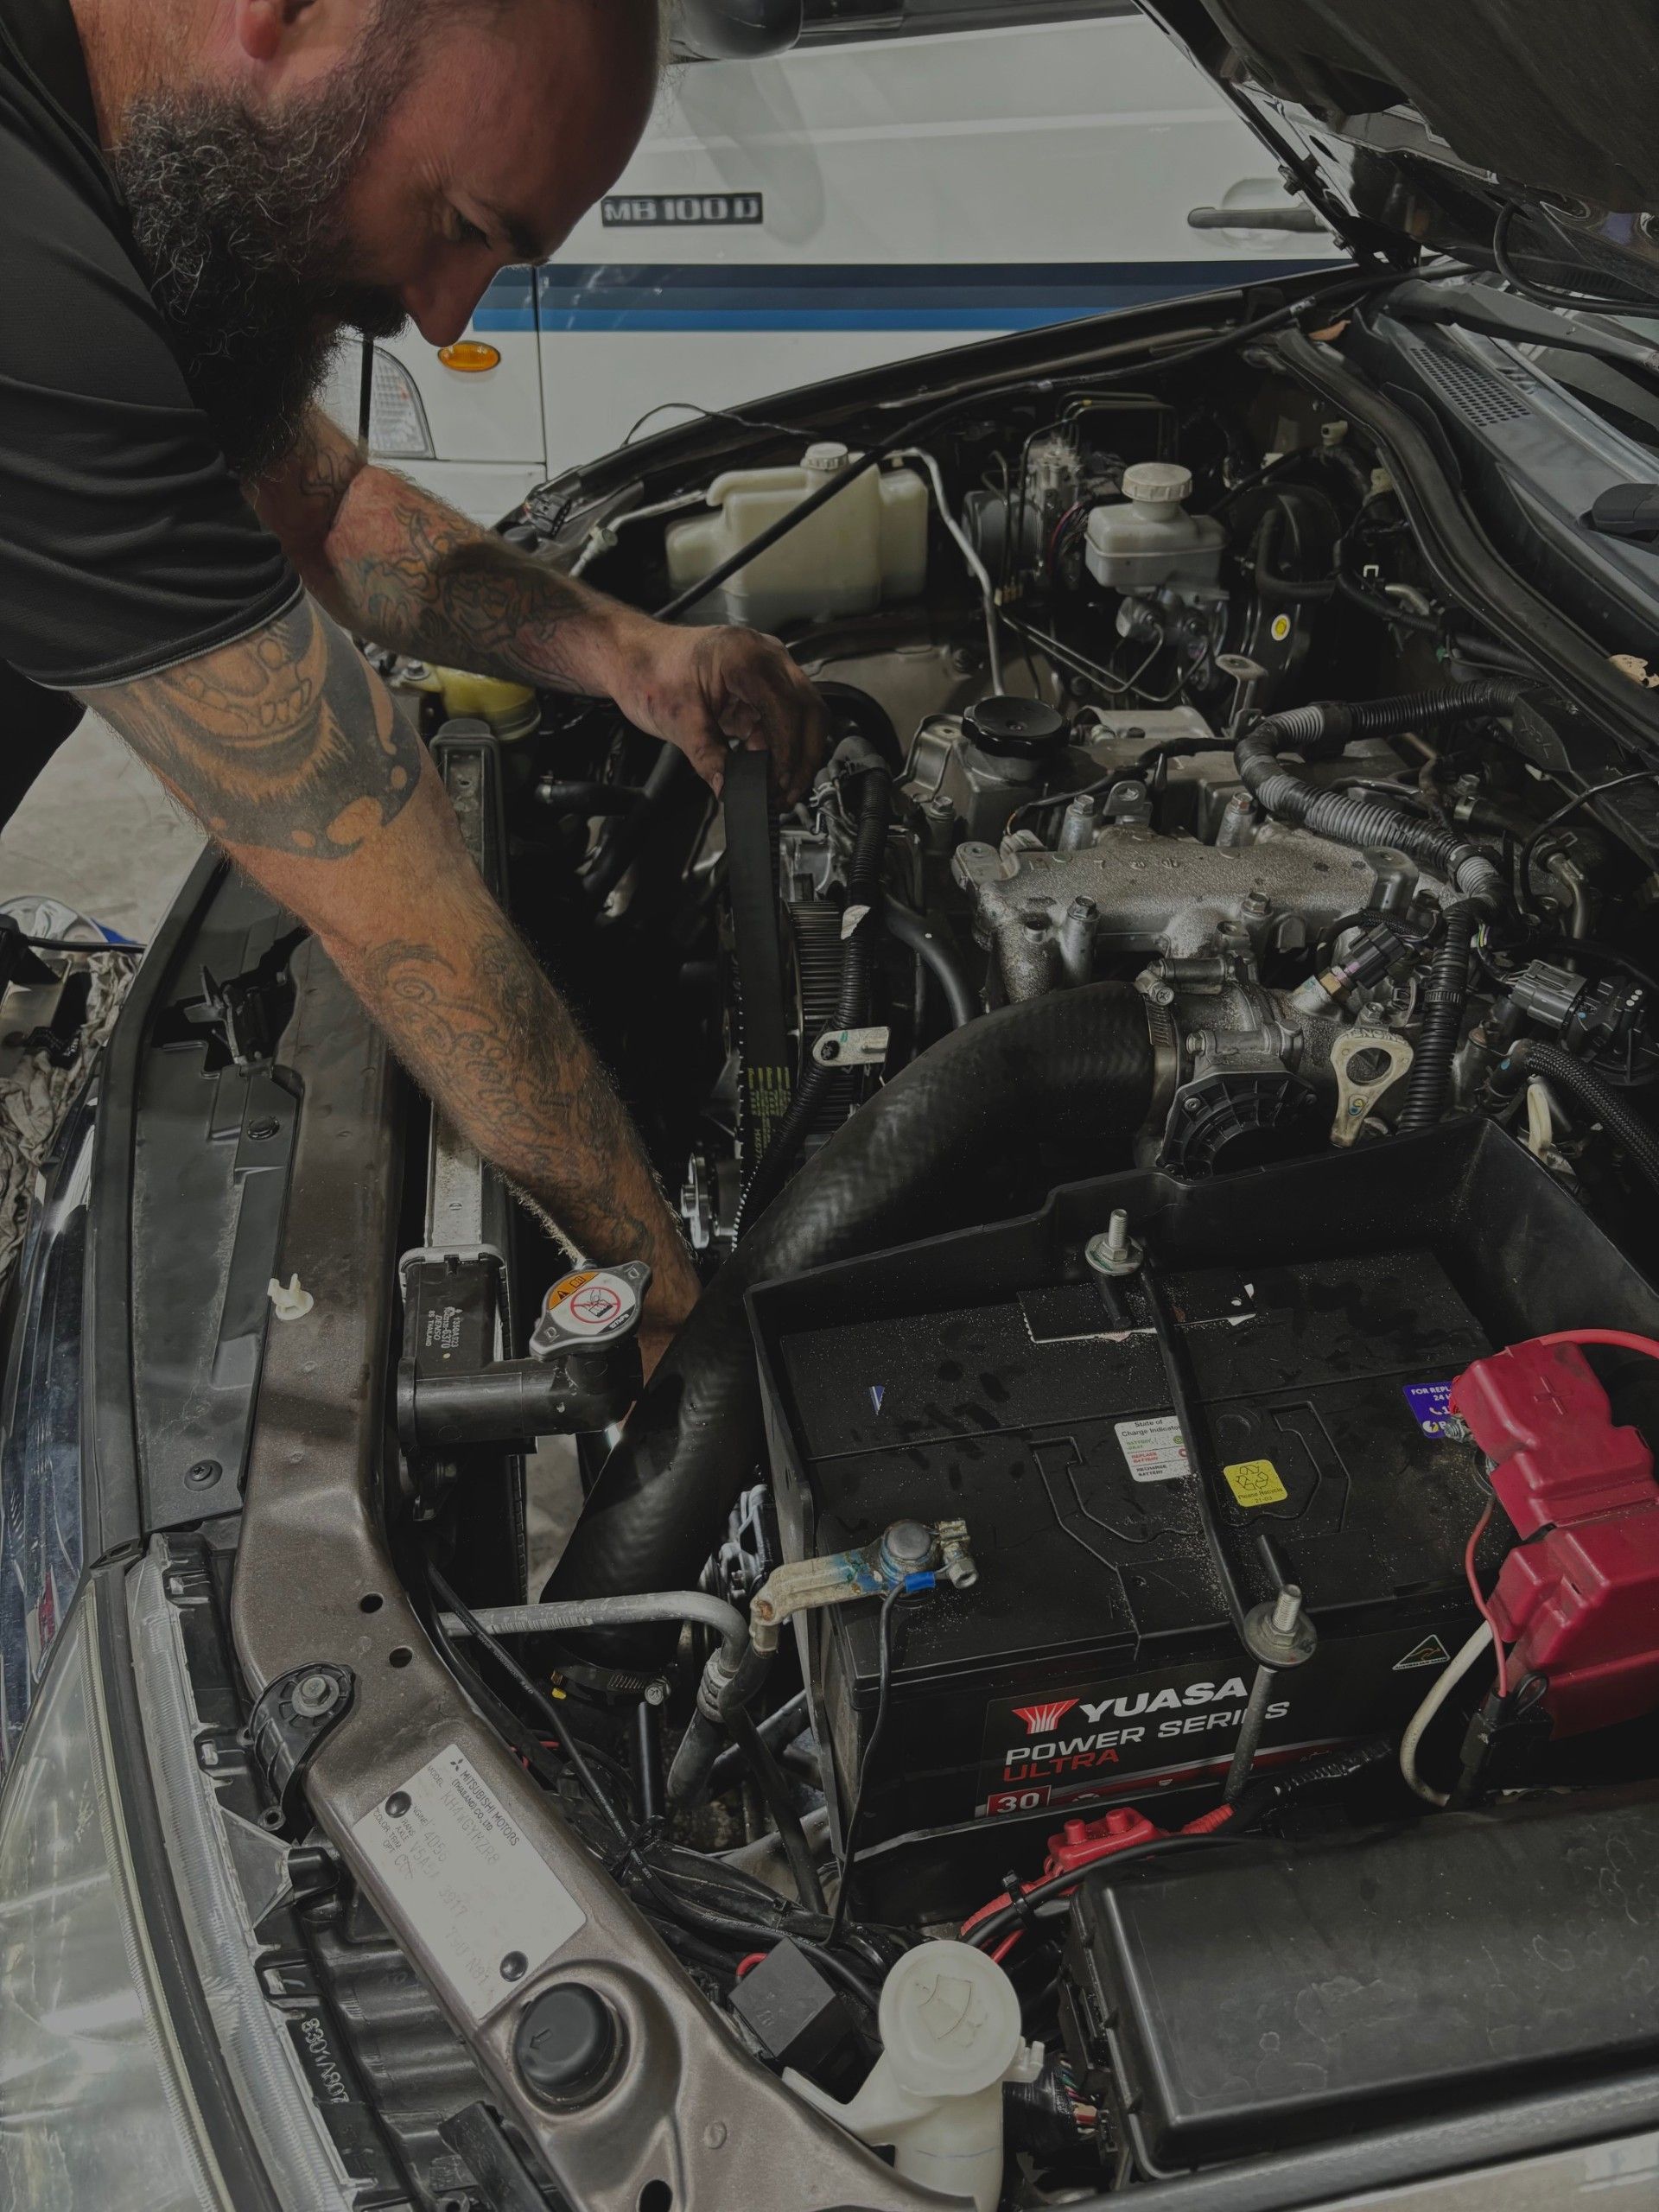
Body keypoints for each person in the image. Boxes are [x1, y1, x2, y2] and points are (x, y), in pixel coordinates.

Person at [0, 0, 827, 1366]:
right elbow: (380, 878)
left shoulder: (116, 172)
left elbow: (320, 503)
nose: (445, 319)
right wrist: (675, 1318)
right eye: (461, 224)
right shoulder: (30, 280)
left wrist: (630, 656)